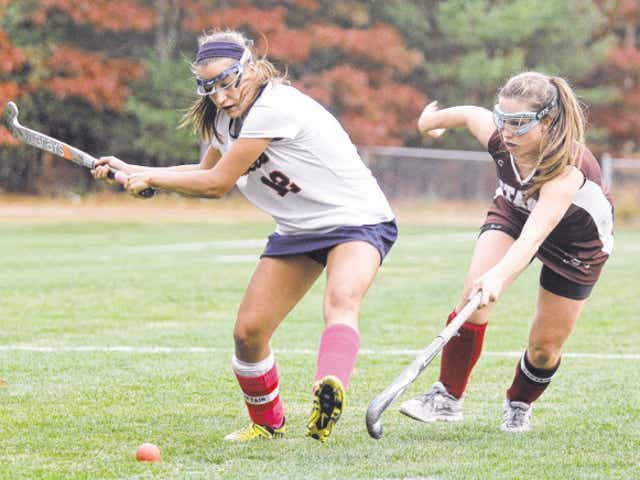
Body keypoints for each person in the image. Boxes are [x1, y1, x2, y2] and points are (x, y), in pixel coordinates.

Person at [93, 29, 397, 443]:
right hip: (297, 230)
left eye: (226, 81)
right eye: (208, 87)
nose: (219, 95)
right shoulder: (222, 119)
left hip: (357, 220)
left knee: (341, 300)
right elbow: (202, 171)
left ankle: (329, 388)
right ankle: (266, 423)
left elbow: (218, 184)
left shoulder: (275, 106)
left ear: (250, 67)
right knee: (248, 333)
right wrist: (134, 170)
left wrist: (149, 177)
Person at [398, 72, 613, 433]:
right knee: (474, 296)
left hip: (577, 243)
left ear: (546, 122)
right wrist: (428, 122)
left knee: (544, 347)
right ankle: (447, 398)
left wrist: (499, 274)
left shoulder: (566, 168)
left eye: (518, 124)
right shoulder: (502, 138)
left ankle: (519, 402)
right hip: (514, 211)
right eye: (503, 120)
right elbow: (469, 114)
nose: (507, 132)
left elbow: (535, 235)